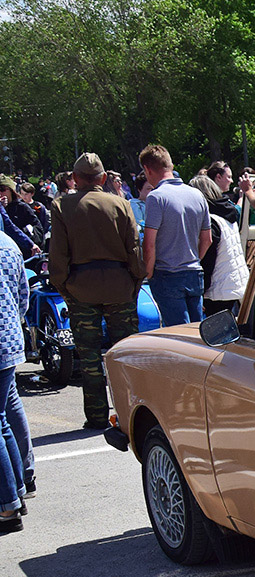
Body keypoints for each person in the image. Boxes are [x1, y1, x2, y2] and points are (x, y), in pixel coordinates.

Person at [48, 152, 142, 430]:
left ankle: (98, 416)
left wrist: (63, 286)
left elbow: (58, 254)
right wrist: (135, 283)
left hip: (81, 287)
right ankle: (131, 414)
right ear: (103, 178)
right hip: (119, 286)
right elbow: (133, 250)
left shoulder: (62, 206)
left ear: (75, 179)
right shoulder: (120, 204)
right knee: (126, 356)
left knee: (89, 358)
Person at [140, 144, 211, 326]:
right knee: (197, 332)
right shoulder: (197, 195)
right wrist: (193, 259)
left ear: (148, 170)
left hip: (167, 274)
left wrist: (147, 274)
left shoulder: (156, 197)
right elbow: (207, 239)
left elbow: (149, 245)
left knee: (179, 335)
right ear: (170, 165)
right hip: (194, 272)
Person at [189, 175, 249, 315]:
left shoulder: (210, 220)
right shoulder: (228, 214)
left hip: (219, 288)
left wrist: (201, 290)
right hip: (235, 283)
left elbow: (209, 259)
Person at [0, 231, 28, 531]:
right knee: (6, 414)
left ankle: (9, 506)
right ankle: (19, 488)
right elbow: (23, 296)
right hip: (9, 339)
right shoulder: (8, 243)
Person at [0, 176, 46, 250]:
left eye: (2, 189)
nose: (0, 193)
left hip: (21, 251)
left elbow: (38, 229)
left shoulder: (21, 207)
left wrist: (31, 243)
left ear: (11, 191)